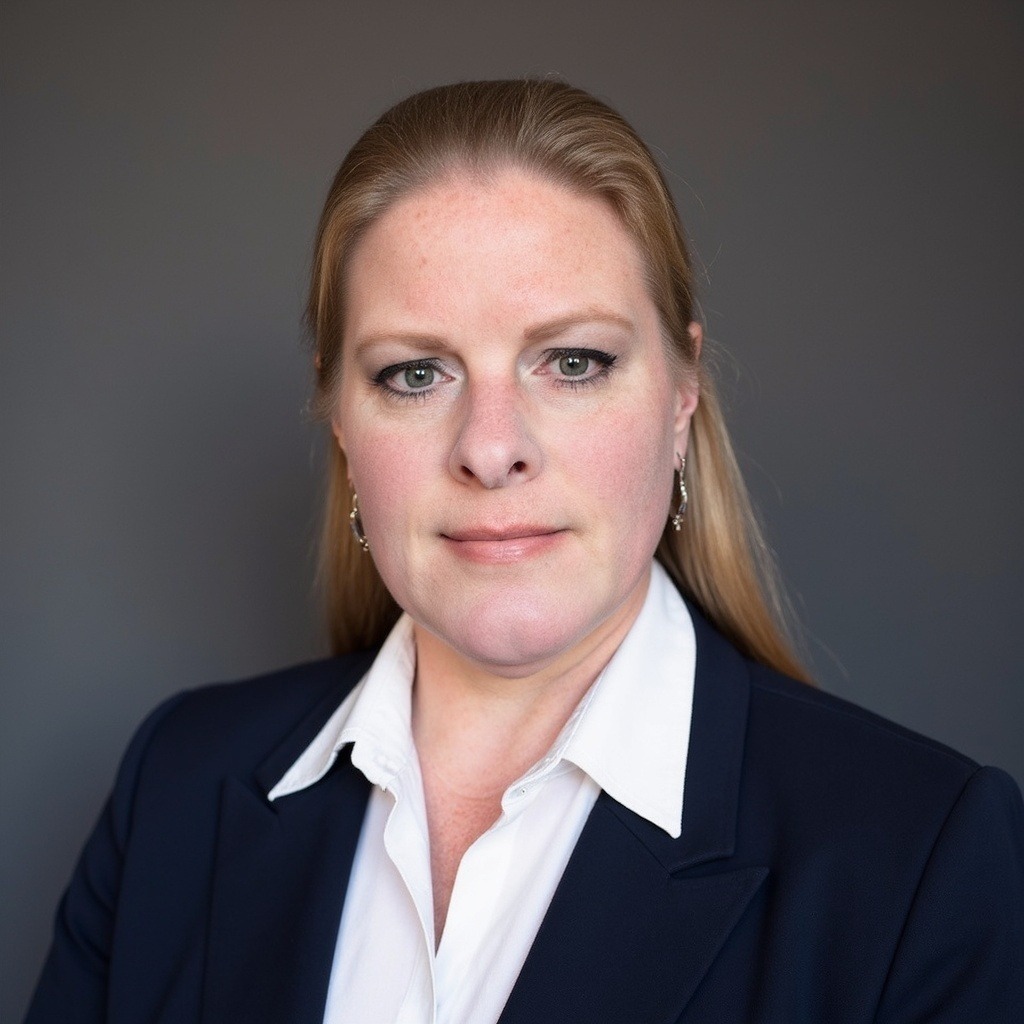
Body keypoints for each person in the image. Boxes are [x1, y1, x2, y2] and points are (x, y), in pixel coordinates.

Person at [26, 79, 1024, 1024]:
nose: (490, 447)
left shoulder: (917, 857)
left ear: (682, 397)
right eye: (416, 373)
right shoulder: (180, 785)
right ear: (337, 414)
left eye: (573, 362)